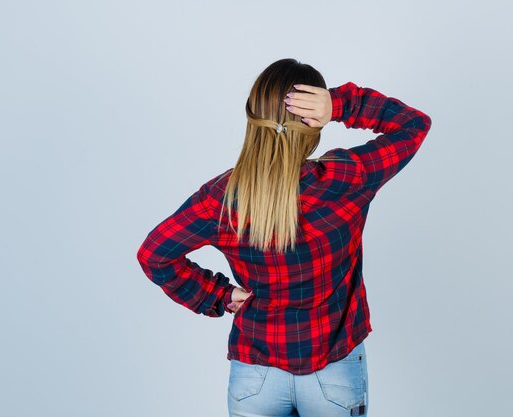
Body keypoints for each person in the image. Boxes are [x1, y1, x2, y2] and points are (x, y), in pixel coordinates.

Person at [137, 58, 432, 417]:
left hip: (255, 377)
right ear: (313, 124)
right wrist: (340, 104)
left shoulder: (221, 198)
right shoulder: (346, 179)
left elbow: (154, 255)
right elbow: (414, 125)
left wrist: (217, 296)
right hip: (334, 373)